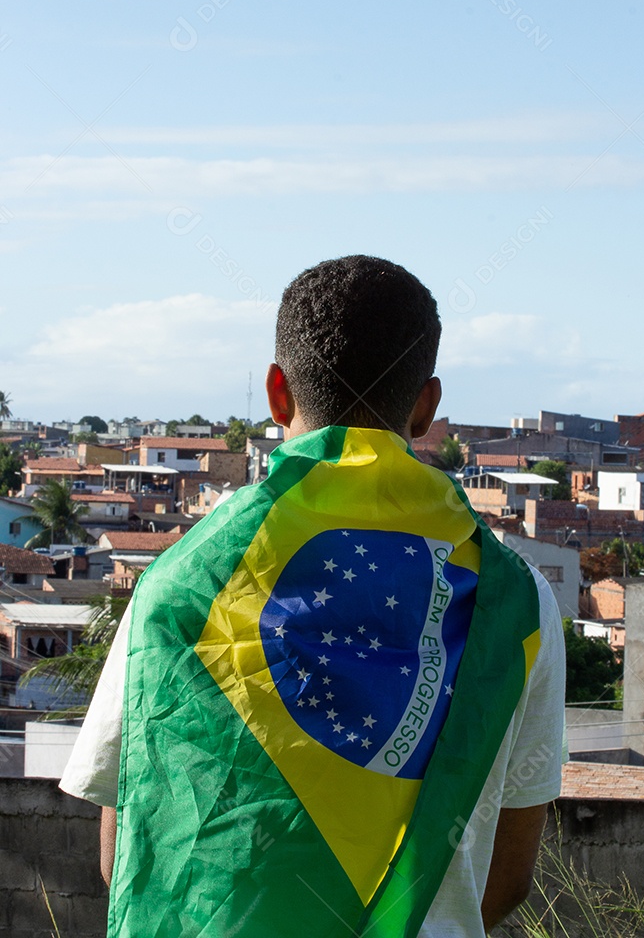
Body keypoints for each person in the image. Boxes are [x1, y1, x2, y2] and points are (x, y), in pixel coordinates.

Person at [61, 254, 565, 937]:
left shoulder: (186, 579)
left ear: (276, 393)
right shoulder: (516, 599)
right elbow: (508, 879)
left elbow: (130, 852)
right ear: (426, 405)